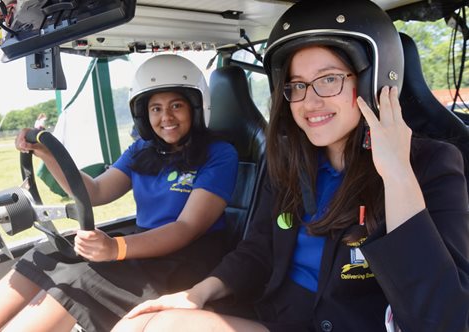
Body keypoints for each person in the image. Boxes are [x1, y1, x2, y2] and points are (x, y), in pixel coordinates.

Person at [111, 1, 469, 331]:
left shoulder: (430, 165)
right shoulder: (291, 163)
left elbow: (442, 318)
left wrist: (396, 175)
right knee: (140, 324)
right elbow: (259, 250)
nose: (309, 101)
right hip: (280, 319)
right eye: (297, 85)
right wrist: (199, 293)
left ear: (374, 78)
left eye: (329, 79)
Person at [0, 54, 238, 332]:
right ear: (144, 114)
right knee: (42, 254)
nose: (166, 117)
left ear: (196, 107)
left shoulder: (220, 154)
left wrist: (115, 248)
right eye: (155, 108)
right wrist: (47, 155)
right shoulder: (141, 150)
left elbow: (186, 228)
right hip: (144, 252)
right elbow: (95, 190)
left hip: (188, 263)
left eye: (176, 105)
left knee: (78, 281)